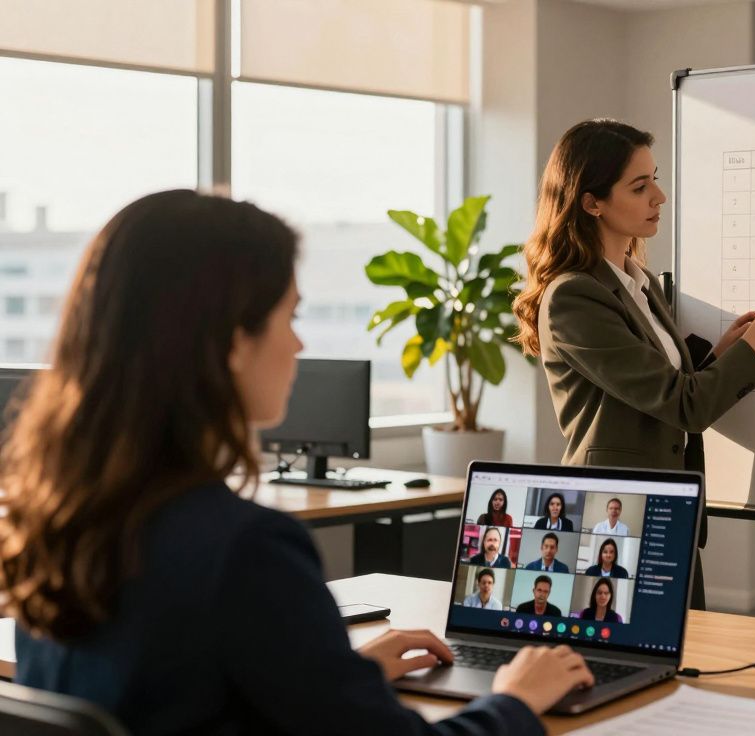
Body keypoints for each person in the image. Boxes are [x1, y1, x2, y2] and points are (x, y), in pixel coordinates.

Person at [0, 190, 593, 735]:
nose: (299, 346)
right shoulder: (246, 551)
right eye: (290, 317)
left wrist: (337, 678)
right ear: (233, 343)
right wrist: (516, 699)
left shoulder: (56, 525)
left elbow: (179, 695)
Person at [512, 119, 755, 609]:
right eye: (640, 186)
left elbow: (665, 386)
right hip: (617, 519)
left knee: (680, 664)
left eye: (654, 178)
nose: (660, 196)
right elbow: (685, 406)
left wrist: (719, 355)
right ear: (592, 203)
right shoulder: (574, 297)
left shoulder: (640, 281)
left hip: (666, 508)